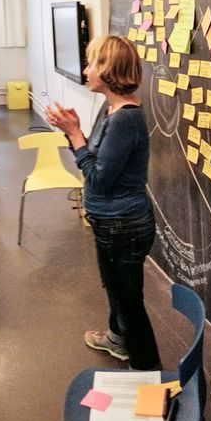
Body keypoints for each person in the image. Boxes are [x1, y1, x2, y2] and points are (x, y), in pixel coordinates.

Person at [45, 35, 161, 371]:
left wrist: (75, 136)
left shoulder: (125, 119)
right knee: (116, 289)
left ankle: (147, 375)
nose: (85, 70)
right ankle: (117, 339)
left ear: (108, 71)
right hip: (112, 223)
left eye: (92, 63)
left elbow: (97, 179)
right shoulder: (111, 109)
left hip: (121, 226)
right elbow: (93, 160)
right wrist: (75, 133)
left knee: (129, 303)